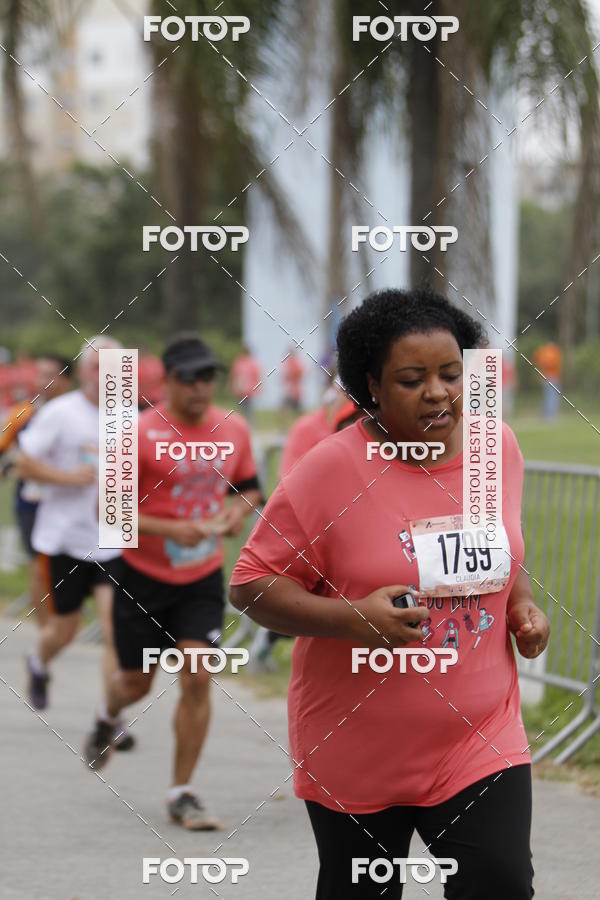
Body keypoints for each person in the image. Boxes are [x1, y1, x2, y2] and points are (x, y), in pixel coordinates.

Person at [230, 287, 550, 900]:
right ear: (370, 385)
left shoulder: (496, 450)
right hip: (357, 745)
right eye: (412, 379)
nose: (438, 392)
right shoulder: (329, 471)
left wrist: (522, 607)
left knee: (501, 885)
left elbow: (506, 556)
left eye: (451, 374)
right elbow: (249, 587)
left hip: (479, 737)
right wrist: (351, 619)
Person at [84, 333, 261, 831]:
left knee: (198, 674)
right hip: (141, 576)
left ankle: (182, 792)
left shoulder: (235, 428)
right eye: (190, 378)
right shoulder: (136, 433)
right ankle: (106, 715)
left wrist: (233, 515)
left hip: (201, 577)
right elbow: (107, 511)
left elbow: (249, 489)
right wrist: (169, 528)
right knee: (134, 684)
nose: (201, 388)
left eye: (209, 377)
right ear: (168, 381)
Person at [17, 338, 130, 761]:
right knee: (63, 631)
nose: (107, 377)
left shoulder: (129, 417)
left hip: (113, 538)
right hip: (64, 538)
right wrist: (68, 479)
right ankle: (39, 664)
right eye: (99, 369)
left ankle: (111, 717)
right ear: (83, 372)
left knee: (114, 632)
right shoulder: (59, 414)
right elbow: (22, 463)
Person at [0, 355, 74, 626]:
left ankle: (65, 622)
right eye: (39, 374)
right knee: (38, 567)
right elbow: (4, 453)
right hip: (31, 501)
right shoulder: (22, 412)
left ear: (66, 381)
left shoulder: (79, 414)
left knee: (67, 566)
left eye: (50, 376)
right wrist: (12, 468)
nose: (43, 382)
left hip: (70, 502)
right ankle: (45, 629)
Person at [228, 345, 261, 424]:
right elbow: (234, 375)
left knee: (246, 409)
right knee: (243, 409)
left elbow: (256, 377)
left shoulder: (243, 363)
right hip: (242, 390)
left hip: (246, 391)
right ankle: (244, 424)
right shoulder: (244, 362)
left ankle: (249, 424)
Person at [532, 341, 562, 421]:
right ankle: (550, 416)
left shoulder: (543, 352)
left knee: (548, 397)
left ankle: (544, 413)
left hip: (545, 377)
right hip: (553, 377)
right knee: (552, 397)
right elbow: (555, 364)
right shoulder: (554, 352)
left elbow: (536, 358)